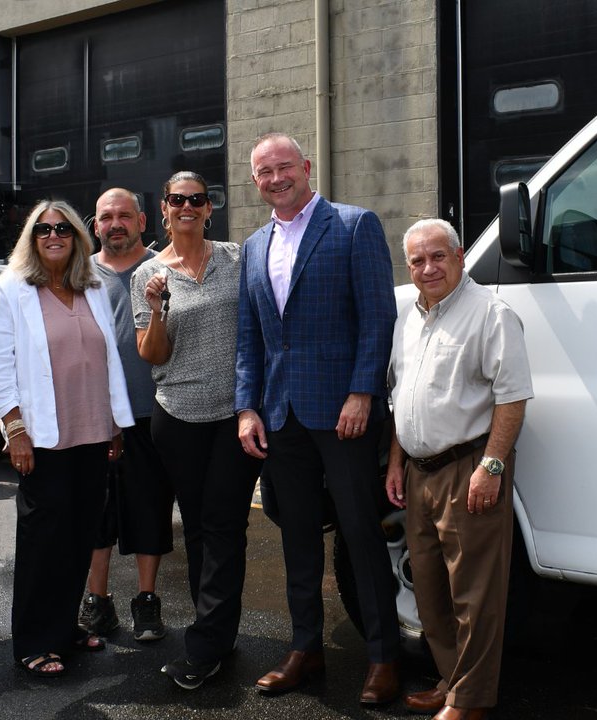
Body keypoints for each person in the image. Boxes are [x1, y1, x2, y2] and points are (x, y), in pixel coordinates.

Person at [235, 132, 401, 705]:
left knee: (359, 531)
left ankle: (384, 657)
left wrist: (362, 394)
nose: (276, 178)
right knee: (297, 538)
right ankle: (304, 649)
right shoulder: (254, 247)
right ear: (254, 181)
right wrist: (247, 407)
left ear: (306, 167)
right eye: (264, 172)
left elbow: (378, 318)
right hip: (280, 416)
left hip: (343, 412)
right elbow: (249, 338)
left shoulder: (355, 226)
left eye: (285, 167)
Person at [384, 219, 532, 720]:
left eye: (437, 256)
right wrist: (397, 460)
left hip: (468, 468)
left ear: (460, 255)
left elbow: (512, 399)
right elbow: (399, 394)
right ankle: (451, 681)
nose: (428, 268)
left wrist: (491, 467)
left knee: (474, 593)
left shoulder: (491, 314)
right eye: (418, 261)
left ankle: (471, 701)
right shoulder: (410, 318)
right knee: (429, 590)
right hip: (419, 472)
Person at [0, 200, 134, 678]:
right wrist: (15, 429)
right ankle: (34, 640)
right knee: (43, 542)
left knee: (79, 536)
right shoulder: (11, 289)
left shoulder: (91, 287)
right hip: (43, 436)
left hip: (92, 432)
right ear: (31, 237)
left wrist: (114, 423)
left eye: (62, 229)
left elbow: (107, 359)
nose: (53, 236)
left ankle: (64, 627)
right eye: (43, 229)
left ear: (76, 238)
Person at [131, 171, 262, 690]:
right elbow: (152, 355)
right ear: (163, 209)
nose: (187, 206)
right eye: (177, 199)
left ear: (210, 208)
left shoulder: (236, 258)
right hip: (178, 416)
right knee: (201, 530)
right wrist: (159, 307)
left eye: (197, 199)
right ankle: (217, 631)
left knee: (225, 525)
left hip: (236, 416)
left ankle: (204, 645)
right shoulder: (148, 274)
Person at [80, 188, 174, 643]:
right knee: (97, 514)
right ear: (95, 225)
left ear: (141, 221)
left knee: (149, 509)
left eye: (123, 216)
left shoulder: (163, 269)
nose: (114, 224)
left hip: (149, 412)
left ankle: (146, 601)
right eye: (105, 217)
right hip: (92, 416)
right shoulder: (78, 275)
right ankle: (96, 602)